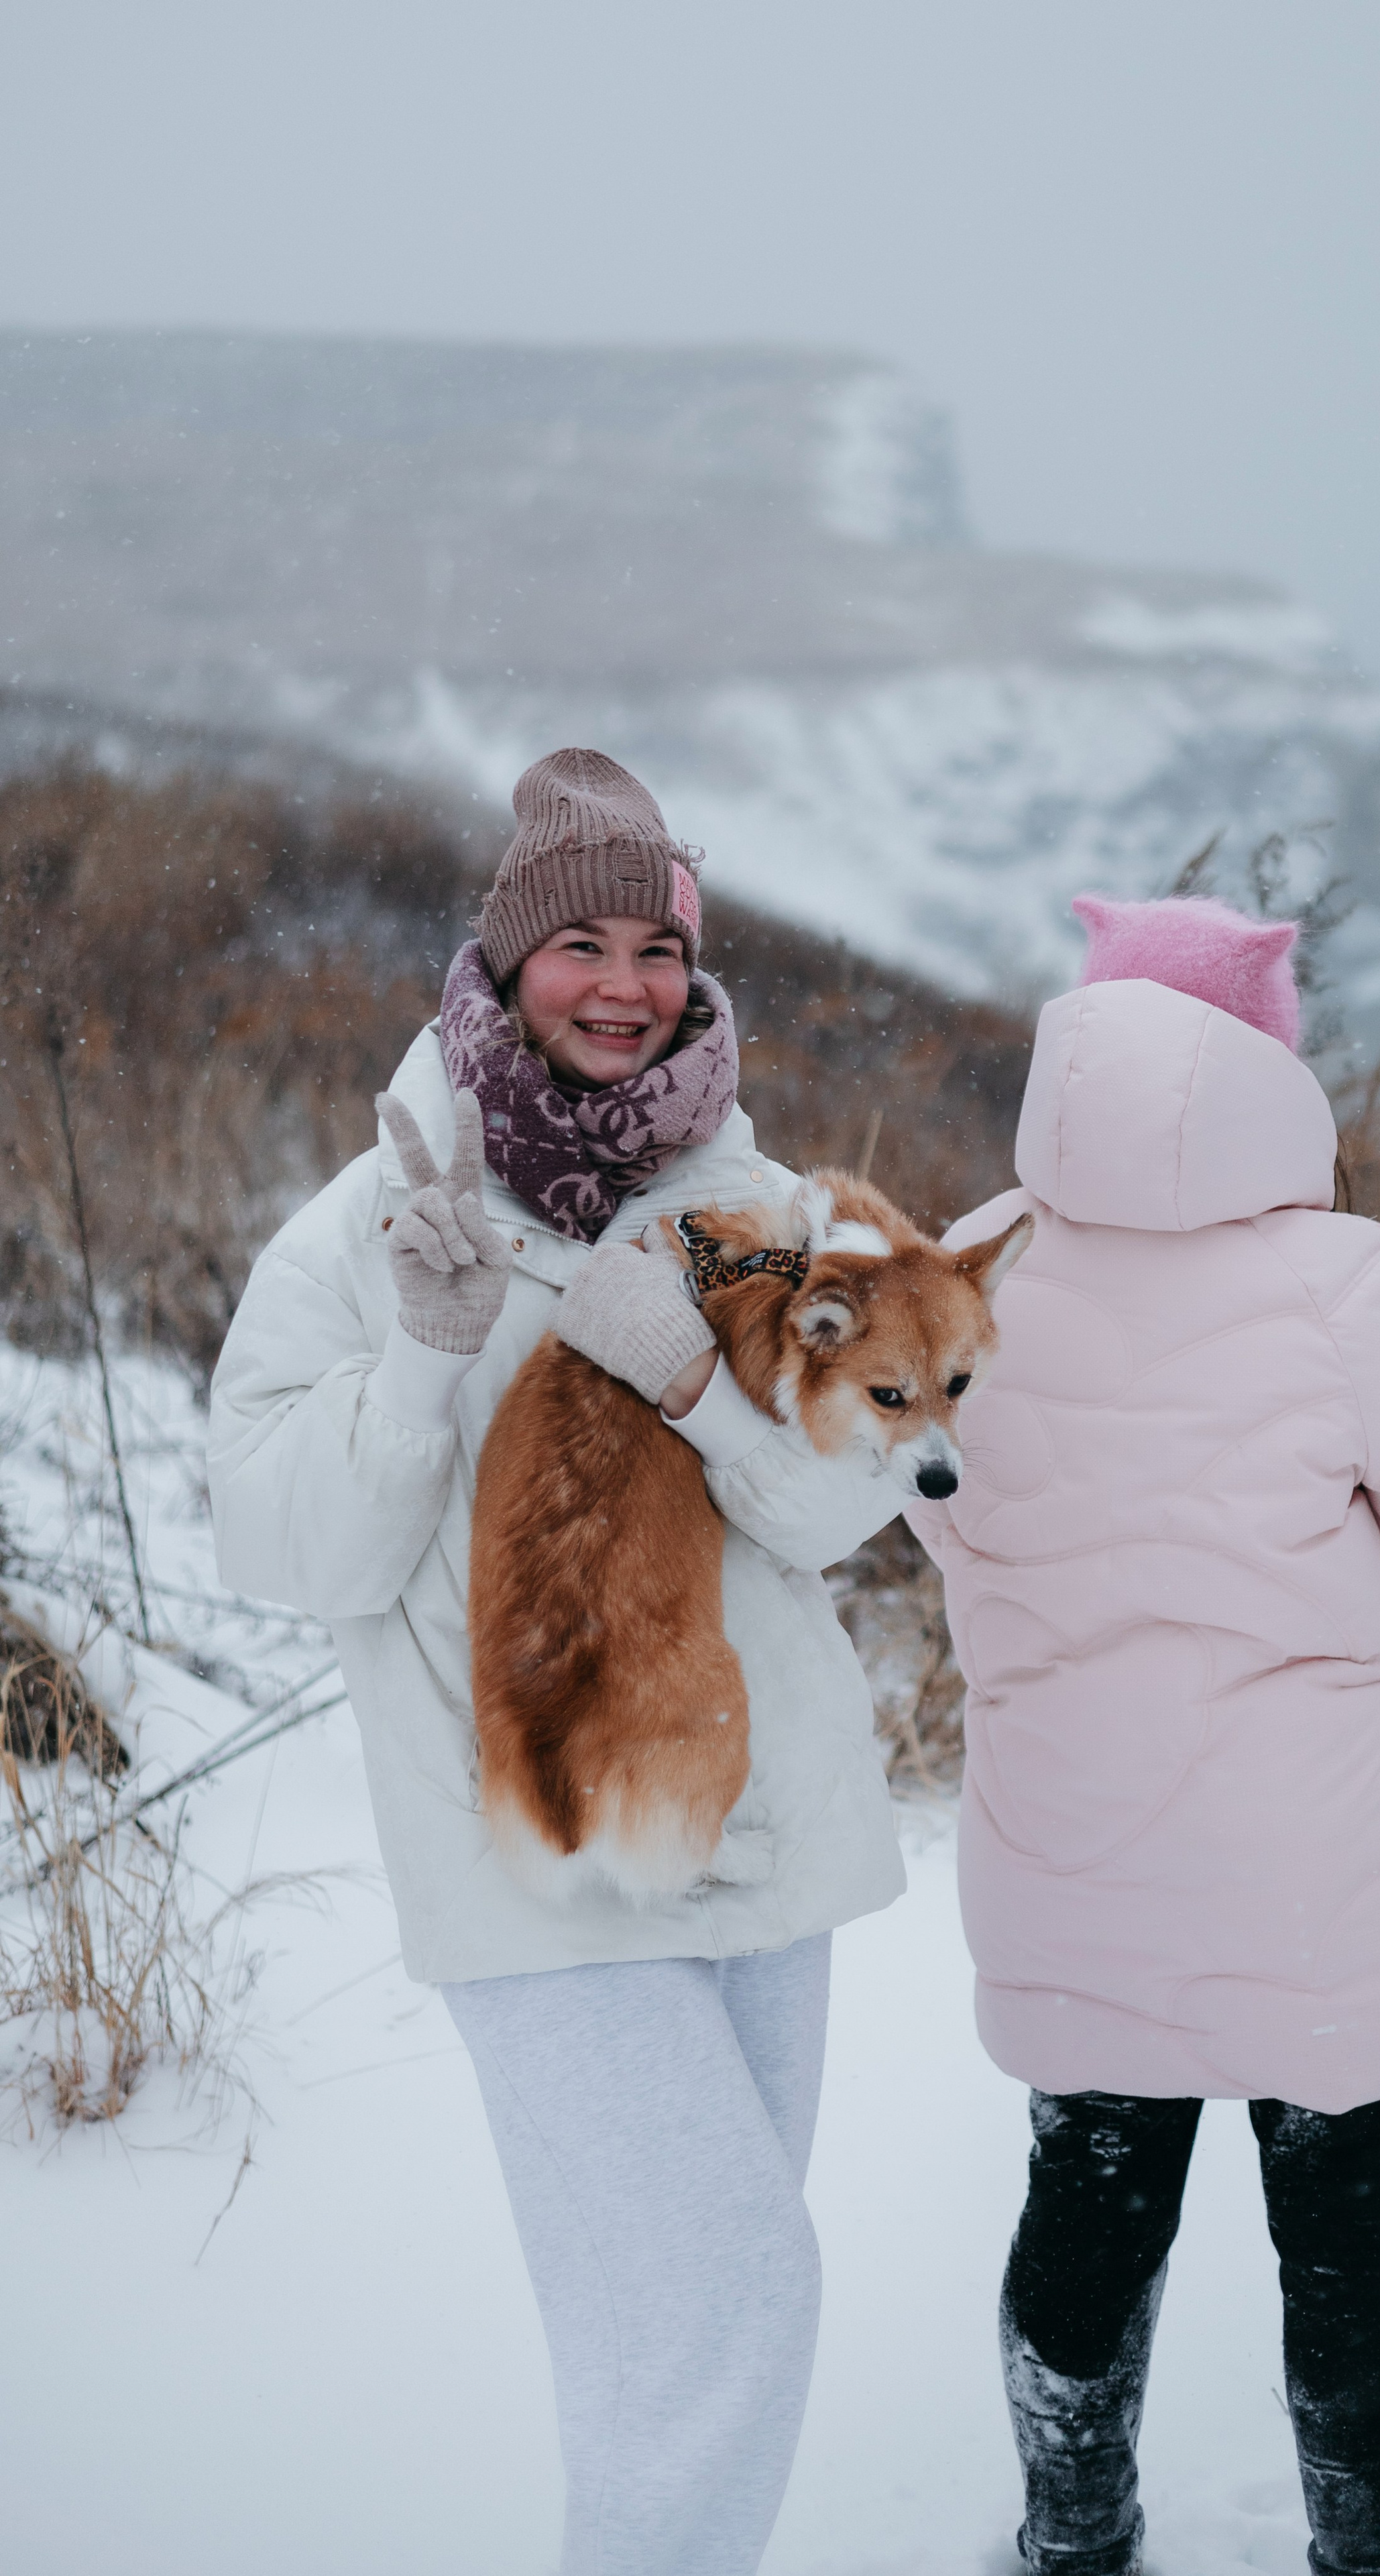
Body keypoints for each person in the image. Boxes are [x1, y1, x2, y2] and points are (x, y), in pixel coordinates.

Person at [207, 748, 908, 2576]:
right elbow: (286, 1549)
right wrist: (427, 1365)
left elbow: (840, 1518)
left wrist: (691, 1375)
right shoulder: (368, 1228)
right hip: (533, 1848)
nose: (624, 984)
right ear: (504, 963)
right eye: (577, 943)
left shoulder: (751, 1209)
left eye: (656, 946)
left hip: (762, 1837)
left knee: (668, 2340)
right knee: (725, 2309)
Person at [907, 891, 1380, 2576]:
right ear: (1268, 1059)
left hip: (1074, 1847)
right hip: (1317, 1877)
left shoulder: (971, 1263)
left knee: (1085, 2223)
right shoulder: (1343, 1280)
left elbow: (940, 1509)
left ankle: (1073, 2540)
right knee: (1346, 2254)